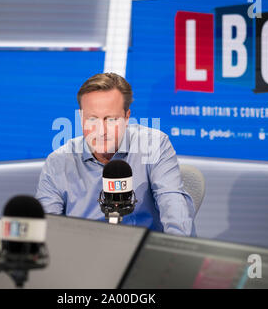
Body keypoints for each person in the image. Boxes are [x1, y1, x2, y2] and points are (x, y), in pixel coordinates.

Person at [36, 73, 196, 236]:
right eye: (92, 119)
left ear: (127, 117)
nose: (101, 131)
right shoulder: (58, 162)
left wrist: (173, 256)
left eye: (111, 119)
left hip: (141, 254)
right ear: (80, 117)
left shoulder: (154, 145)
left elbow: (174, 209)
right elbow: (46, 231)